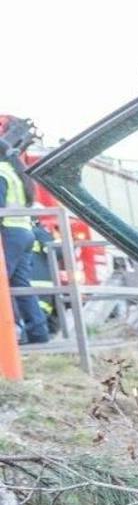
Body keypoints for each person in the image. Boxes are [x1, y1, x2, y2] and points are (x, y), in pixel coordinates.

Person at [0, 114, 48, 345]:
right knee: (21, 286)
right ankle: (38, 334)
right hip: (23, 233)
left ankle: (6, 339)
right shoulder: (16, 172)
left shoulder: (0, 173)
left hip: (9, 233)